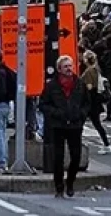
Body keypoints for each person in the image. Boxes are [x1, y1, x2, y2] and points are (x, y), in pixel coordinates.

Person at [40, 54, 89, 198]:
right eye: (65, 66)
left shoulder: (80, 84)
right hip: (58, 125)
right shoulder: (51, 86)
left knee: (76, 156)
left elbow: (87, 103)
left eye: (70, 66)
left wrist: (81, 114)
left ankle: (71, 182)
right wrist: (55, 113)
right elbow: (43, 104)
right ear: (59, 69)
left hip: (75, 125)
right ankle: (59, 186)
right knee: (58, 157)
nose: (69, 69)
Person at [81, 50, 111, 154]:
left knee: (79, 122)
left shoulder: (89, 71)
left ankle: (106, 145)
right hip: (95, 101)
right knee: (96, 124)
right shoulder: (96, 69)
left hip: (90, 101)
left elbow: (89, 87)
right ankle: (106, 144)